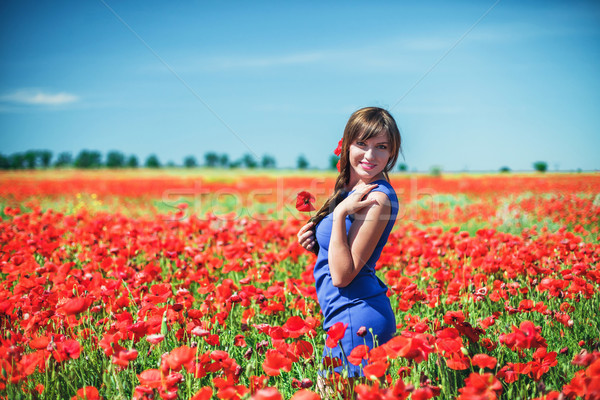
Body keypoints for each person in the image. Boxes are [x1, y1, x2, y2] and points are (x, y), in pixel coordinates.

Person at [297, 107, 402, 385]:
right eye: (362, 144)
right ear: (347, 144)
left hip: (357, 316)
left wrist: (342, 211)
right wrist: (317, 245)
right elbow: (344, 254)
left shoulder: (376, 198)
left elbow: (343, 276)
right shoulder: (352, 189)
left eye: (381, 146)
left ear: (392, 153)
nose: (370, 155)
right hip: (343, 314)